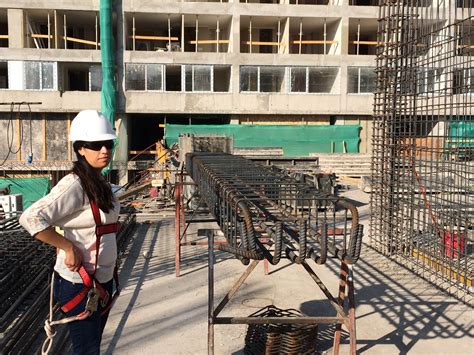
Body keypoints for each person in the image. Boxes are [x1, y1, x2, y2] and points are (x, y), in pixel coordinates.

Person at [19, 110, 120, 355]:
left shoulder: (100, 183)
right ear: (80, 149)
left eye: (108, 144)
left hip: (102, 282)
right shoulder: (74, 185)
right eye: (96, 145)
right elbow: (30, 217)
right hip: (80, 284)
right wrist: (67, 246)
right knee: (87, 350)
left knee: (91, 347)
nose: (104, 150)